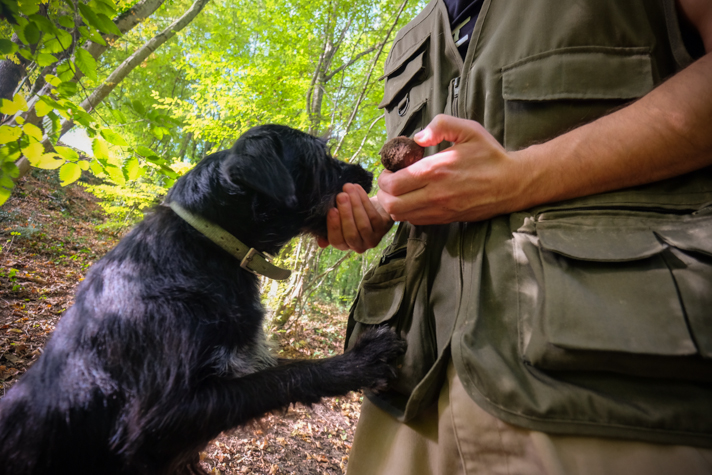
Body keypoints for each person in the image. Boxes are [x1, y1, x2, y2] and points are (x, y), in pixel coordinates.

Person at [317, 0, 712, 473]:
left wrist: (520, 178)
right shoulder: (413, 36)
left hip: (611, 396)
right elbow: (441, 178)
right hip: (403, 401)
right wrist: (383, 209)